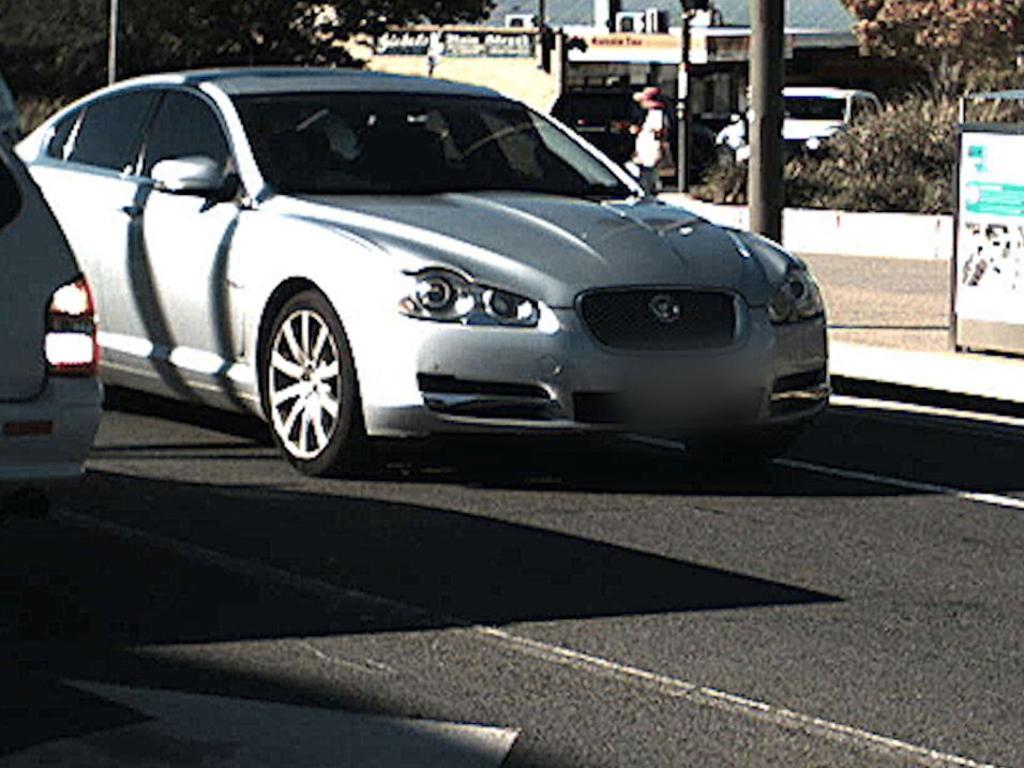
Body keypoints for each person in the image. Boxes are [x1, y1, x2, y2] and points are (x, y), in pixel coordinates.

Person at [630, 86, 666, 195]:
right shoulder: (649, 114)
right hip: (645, 147)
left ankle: (650, 189)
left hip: (650, 147)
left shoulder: (656, 113)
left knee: (649, 171)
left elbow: (658, 131)